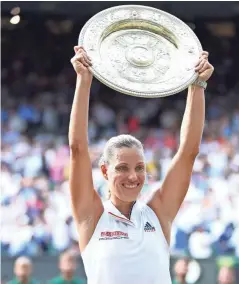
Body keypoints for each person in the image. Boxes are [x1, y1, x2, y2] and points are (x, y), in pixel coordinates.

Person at [68, 45, 214, 284]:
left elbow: (188, 152)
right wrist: (83, 80)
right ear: (105, 170)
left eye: (139, 168)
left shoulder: (158, 213)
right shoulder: (91, 215)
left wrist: (197, 84)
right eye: (122, 168)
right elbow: (78, 150)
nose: (133, 176)